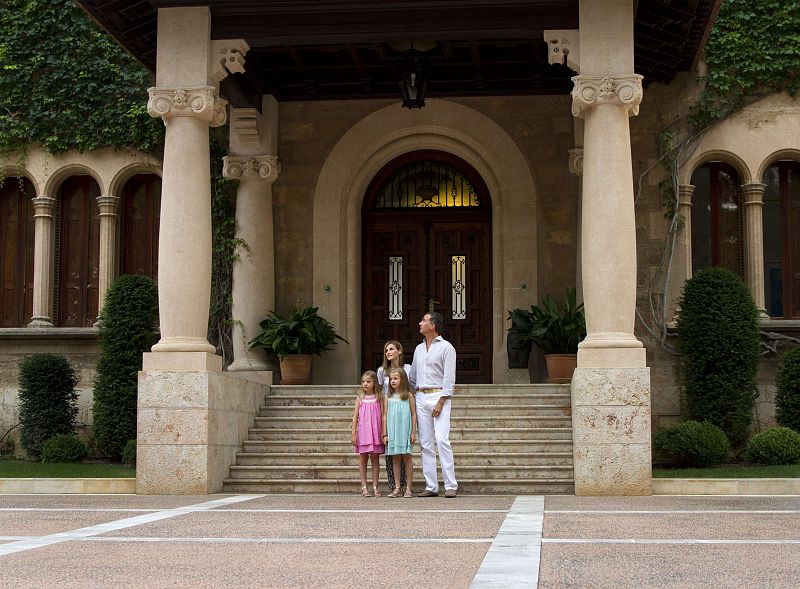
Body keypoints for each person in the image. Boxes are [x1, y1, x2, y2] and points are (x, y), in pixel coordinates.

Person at [408, 311, 458, 498]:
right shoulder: (419, 349)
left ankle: (451, 485)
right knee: (426, 443)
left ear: (433, 325)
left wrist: (442, 400)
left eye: (423, 320)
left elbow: (449, 377)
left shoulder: (446, 347)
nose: (419, 323)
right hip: (421, 395)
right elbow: (412, 375)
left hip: (439, 395)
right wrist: (413, 393)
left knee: (442, 440)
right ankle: (431, 486)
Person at [376, 340, 413, 492]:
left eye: (391, 349)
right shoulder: (381, 371)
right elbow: (380, 390)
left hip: (403, 407)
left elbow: (412, 386)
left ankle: (406, 485)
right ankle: (394, 485)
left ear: (399, 351)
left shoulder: (408, 369)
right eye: (386, 350)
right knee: (391, 453)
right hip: (388, 407)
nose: (388, 353)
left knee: (404, 451)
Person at [382, 367, 417, 498]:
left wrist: (413, 432)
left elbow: (414, 414)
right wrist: (384, 433)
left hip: (405, 431)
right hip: (393, 431)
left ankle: (409, 488)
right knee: (395, 458)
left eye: (396, 378)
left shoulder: (408, 396)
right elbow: (384, 415)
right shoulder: (388, 397)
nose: (393, 381)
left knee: (407, 458)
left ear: (403, 380)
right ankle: (397, 487)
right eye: (391, 379)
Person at [351, 370, 384, 497]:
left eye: (368, 381)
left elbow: (382, 416)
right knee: (363, 459)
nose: (365, 384)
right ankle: (364, 486)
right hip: (363, 433)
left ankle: (375, 486)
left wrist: (383, 432)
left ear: (374, 383)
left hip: (375, 433)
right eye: (363, 382)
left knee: (375, 459)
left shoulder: (379, 398)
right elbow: (355, 417)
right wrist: (353, 434)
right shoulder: (360, 399)